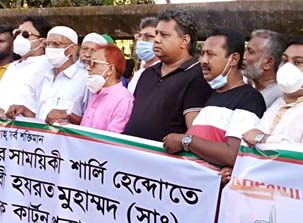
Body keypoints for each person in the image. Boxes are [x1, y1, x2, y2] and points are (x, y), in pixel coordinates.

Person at [162, 28, 265, 168]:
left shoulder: (249, 99)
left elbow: (233, 155)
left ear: (233, 59)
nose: (203, 61)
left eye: (210, 54)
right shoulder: (212, 94)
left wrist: (186, 141)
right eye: (202, 54)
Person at [123, 9, 212, 142]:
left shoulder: (197, 77)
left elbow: (195, 135)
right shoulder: (147, 74)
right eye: (157, 34)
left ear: (184, 40)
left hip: (164, 160)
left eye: (164, 35)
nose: (157, 40)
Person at [6, 26, 88, 125]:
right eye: (48, 44)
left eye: (56, 44)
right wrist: (23, 110)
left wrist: (67, 115)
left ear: (73, 49)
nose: (50, 48)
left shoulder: (84, 79)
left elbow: (90, 121)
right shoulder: (43, 76)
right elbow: (39, 116)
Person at [0, 16, 52, 120]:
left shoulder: (46, 67)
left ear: (43, 42)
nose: (19, 38)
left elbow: (42, 112)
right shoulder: (13, 66)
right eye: (17, 33)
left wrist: (8, 114)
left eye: (25, 35)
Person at [80, 43, 134, 133]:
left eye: (94, 63)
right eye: (89, 63)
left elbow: (112, 140)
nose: (89, 68)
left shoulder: (123, 100)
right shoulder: (97, 93)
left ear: (110, 69)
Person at [242, 29, 287, 108]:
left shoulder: (280, 97)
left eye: (250, 51)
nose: (244, 56)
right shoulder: (248, 87)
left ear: (268, 63)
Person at [128, 17, 160, 95]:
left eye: (149, 36)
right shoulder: (138, 74)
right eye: (140, 36)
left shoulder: (164, 76)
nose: (141, 40)